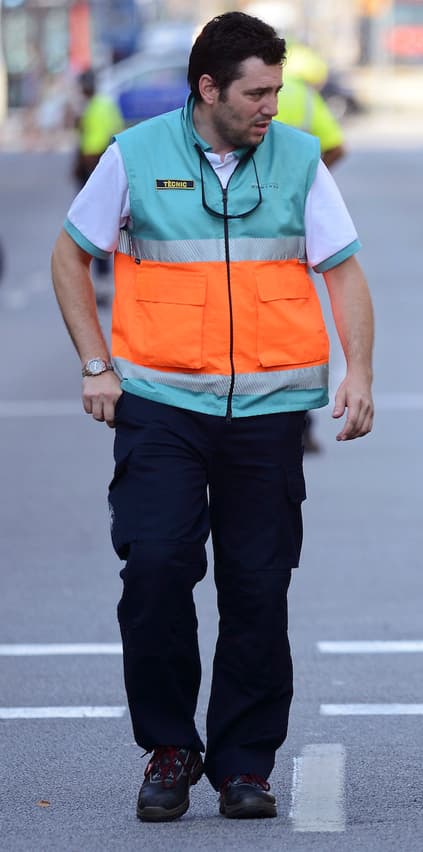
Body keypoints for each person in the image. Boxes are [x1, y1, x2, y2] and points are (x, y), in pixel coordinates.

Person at [49, 12, 375, 823]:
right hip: (159, 406)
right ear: (209, 89)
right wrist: (95, 364)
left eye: (278, 90)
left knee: (258, 588)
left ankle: (244, 763)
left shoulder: (298, 158)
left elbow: (343, 271)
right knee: (156, 569)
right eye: (257, 93)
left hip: (269, 414)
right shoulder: (135, 154)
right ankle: (168, 747)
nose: (273, 106)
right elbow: (69, 253)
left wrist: (358, 369)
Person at [274, 70, 347, 454]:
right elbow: (336, 145)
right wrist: (304, 180)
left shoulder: (225, 91)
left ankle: (293, 420)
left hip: (269, 218)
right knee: (288, 321)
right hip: (289, 217)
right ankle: (297, 423)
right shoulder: (302, 94)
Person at [71, 69, 125, 295]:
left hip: (95, 169)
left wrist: (81, 168)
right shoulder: (105, 104)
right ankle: (103, 278)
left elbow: (91, 148)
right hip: (105, 168)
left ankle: (101, 281)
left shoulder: (94, 108)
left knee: (95, 225)